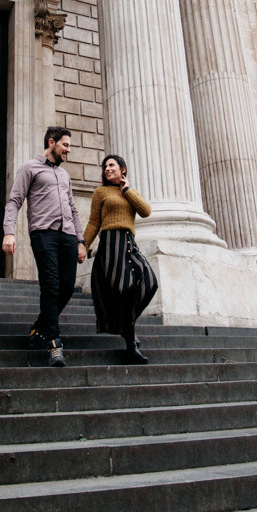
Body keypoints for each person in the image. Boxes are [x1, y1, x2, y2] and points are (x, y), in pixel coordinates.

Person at [2, 126, 86, 367]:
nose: (68, 150)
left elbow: (73, 209)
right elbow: (15, 200)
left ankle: (40, 328)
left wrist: (80, 241)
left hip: (68, 236)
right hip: (43, 234)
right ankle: (54, 343)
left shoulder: (64, 175)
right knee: (50, 285)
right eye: (65, 145)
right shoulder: (29, 168)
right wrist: (9, 232)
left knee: (67, 287)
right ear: (52, 142)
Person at [82, 154, 158, 365]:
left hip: (128, 243)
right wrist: (82, 245)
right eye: (105, 166)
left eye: (112, 165)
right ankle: (131, 343)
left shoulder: (130, 192)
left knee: (150, 282)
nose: (107, 169)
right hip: (110, 245)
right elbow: (93, 223)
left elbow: (146, 211)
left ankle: (127, 325)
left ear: (122, 169)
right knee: (125, 289)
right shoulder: (101, 192)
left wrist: (126, 190)